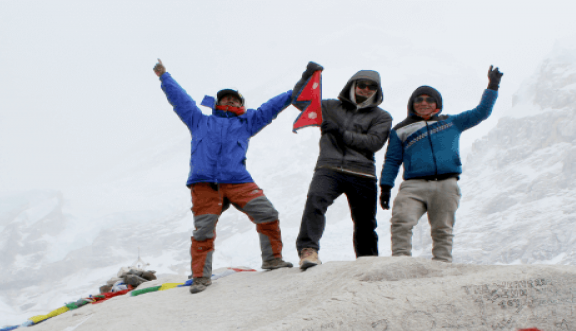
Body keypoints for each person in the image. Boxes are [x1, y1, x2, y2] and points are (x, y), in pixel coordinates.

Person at [154, 58, 296, 294]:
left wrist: (294, 92)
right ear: (217, 103)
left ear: (241, 104)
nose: (230, 101)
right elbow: (181, 100)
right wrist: (164, 76)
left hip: (237, 180)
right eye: (225, 98)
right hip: (204, 183)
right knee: (203, 232)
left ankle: (272, 259)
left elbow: (270, 108)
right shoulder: (199, 120)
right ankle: (200, 277)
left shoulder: (247, 122)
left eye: (235, 99)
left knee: (268, 214)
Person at [378, 66, 503, 263]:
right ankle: (400, 264)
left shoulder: (452, 122)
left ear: (437, 103)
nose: (424, 103)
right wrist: (386, 186)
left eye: (429, 99)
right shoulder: (400, 130)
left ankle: (442, 266)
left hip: (447, 184)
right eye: (419, 100)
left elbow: (482, 112)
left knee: (443, 229)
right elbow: (392, 160)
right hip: (413, 186)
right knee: (401, 222)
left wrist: (492, 86)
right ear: (412, 104)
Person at [294, 68, 393, 270]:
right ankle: (308, 251)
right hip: (328, 167)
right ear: (353, 85)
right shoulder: (330, 106)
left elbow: (373, 142)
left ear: (377, 90)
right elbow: (300, 102)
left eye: (371, 86)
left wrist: (340, 132)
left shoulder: (382, 116)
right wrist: (307, 77)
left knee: (365, 222)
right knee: (315, 201)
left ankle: (368, 262)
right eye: (362, 84)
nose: (366, 89)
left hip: (362, 172)